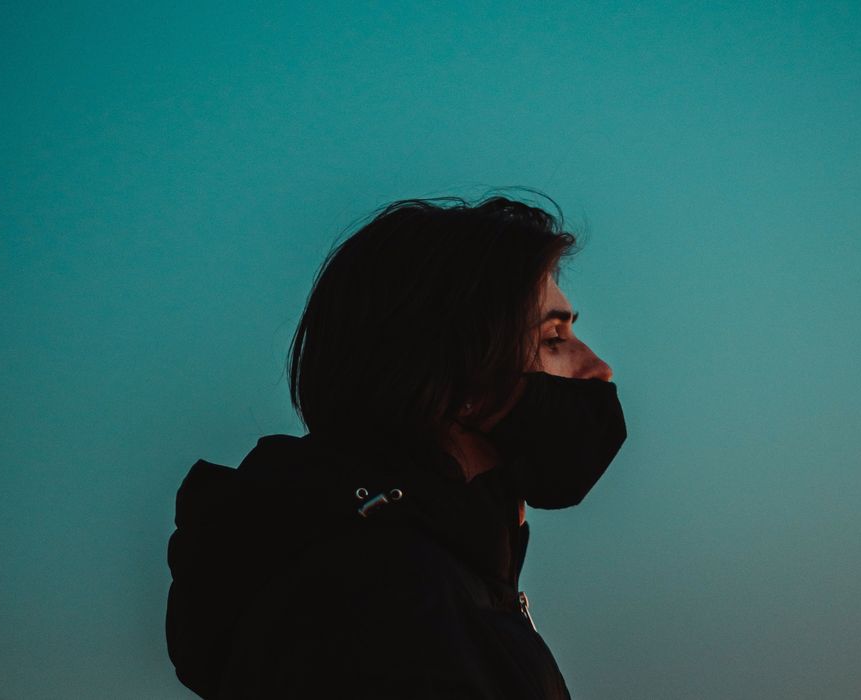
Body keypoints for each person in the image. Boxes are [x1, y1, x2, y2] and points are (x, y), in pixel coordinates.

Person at [166, 194, 627, 699]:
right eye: (552, 339)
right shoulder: (382, 603)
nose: (598, 367)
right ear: (462, 381)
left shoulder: (440, 579)